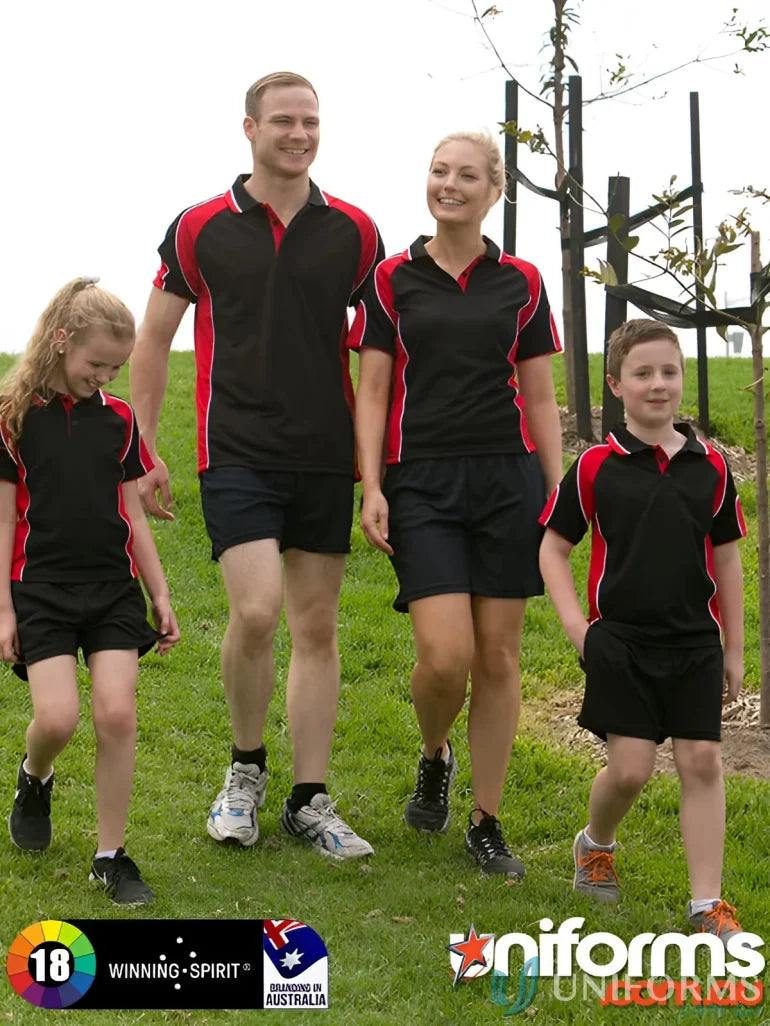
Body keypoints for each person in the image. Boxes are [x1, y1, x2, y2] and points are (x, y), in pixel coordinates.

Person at [130, 72, 383, 859]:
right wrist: (140, 448)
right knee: (258, 611)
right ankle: (244, 772)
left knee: (316, 625)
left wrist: (377, 469)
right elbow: (150, 340)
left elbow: (378, 351)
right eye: (283, 121)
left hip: (321, 453)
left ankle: (310, 798)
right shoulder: (200, 226)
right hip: (234, 448)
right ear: (249, 128)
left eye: (310, 121)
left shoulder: (356, 231)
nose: (299, 134)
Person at [350, 131, 562, 876]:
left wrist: (557, 485)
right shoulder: (389, 279)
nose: (449, 185)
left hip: (509, 481)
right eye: (440, 172)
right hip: (422, 483)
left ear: (493, 191)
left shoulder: (524, 282)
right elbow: (372, 389)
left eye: (466, 175)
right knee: (445, 658)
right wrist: (372, 484)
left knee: (498, 657)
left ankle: (486, 820)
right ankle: (434, 753)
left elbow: (539, 392)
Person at [539, 318, 747, 940]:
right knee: (629, 770)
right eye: (643, 374)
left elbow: (729, 558)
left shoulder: (711, 468)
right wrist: (579, 628)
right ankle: (594, 844)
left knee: (703, 760)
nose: (659, 385)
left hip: (693, 643)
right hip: (621, 643)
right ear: (616, 386)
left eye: (669, 372)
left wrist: (733, 648)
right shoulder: (596, 466)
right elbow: (553, 548)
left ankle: (707, 905)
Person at [1, 277, 180, 905]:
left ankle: (110, 855)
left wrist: (159, 595)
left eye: (116, 368)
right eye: (95, 364)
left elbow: (131, 516)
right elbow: (3, 522)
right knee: (56, 718)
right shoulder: (14, 419)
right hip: (41, 590)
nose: (104, 377)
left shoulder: (121, 423)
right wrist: (4, 609)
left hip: (111, 590)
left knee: (116, 713)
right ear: (60, 342)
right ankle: (35, 775)